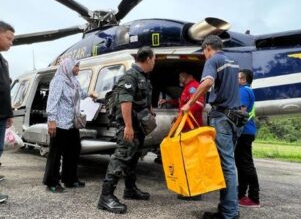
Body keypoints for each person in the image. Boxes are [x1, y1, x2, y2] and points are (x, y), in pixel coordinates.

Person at [182, 35, 240, 219]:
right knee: (228, 165)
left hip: (222, 116)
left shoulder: (214, 60)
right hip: (235, 117)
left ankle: (229, 213)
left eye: (203, 51)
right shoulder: (233, 62)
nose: (204, 55)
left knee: (227, 165)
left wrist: (189, 103)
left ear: (207, 47)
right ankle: (227, 209)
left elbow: (207, 82)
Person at [97, 46, 156, 214]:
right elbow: (125, 102)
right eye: (154, 59)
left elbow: (142, 98)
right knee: (121, 157)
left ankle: (130, 189)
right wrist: (128, 126)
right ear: (147, 59)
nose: (154, 62)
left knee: (133, 157)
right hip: (128, 125)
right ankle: (105, 197)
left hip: (139, 125)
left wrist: (149, 110)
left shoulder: (143, 77)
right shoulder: (130, 76)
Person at [43, 57, 93, 193]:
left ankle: (70, 179)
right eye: (76, 66)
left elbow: (80, 93)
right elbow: (52, 101)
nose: (78, 69)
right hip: (59, 123)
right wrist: (51, 121)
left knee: (73, 151)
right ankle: (51, 182)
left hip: (72, 123)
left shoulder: (73, 80)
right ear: (68, 66)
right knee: (56, 154)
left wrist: (90, 94)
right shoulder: (58, 80)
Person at [160, 70, 205, 201]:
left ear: (186, 75)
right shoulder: (188, 88)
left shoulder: (194, 87)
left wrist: (181, 115)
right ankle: (189, 190)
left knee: (192, 161)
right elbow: (182, 102)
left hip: (191, 129)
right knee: (187, 160)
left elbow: (198, 104)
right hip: (185, 130)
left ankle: (195, 193)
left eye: (180, 76)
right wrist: (168, 103)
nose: (179, 79)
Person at [235, 69, 260, 208]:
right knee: (241, 164)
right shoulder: (248, 90)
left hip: (244, 132)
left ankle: (254, 197)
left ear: (244, 80)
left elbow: (241, 112)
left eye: (238, 78)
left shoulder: (243, 90)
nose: (236, 80)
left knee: (246, 165)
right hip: (248, 132)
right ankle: (241, 195)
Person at [0, 21, 15, 203]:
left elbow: (5, 90)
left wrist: (9, 113)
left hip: (2, 114)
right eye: (9, 38)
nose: (12, 42)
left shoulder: (4, 61)